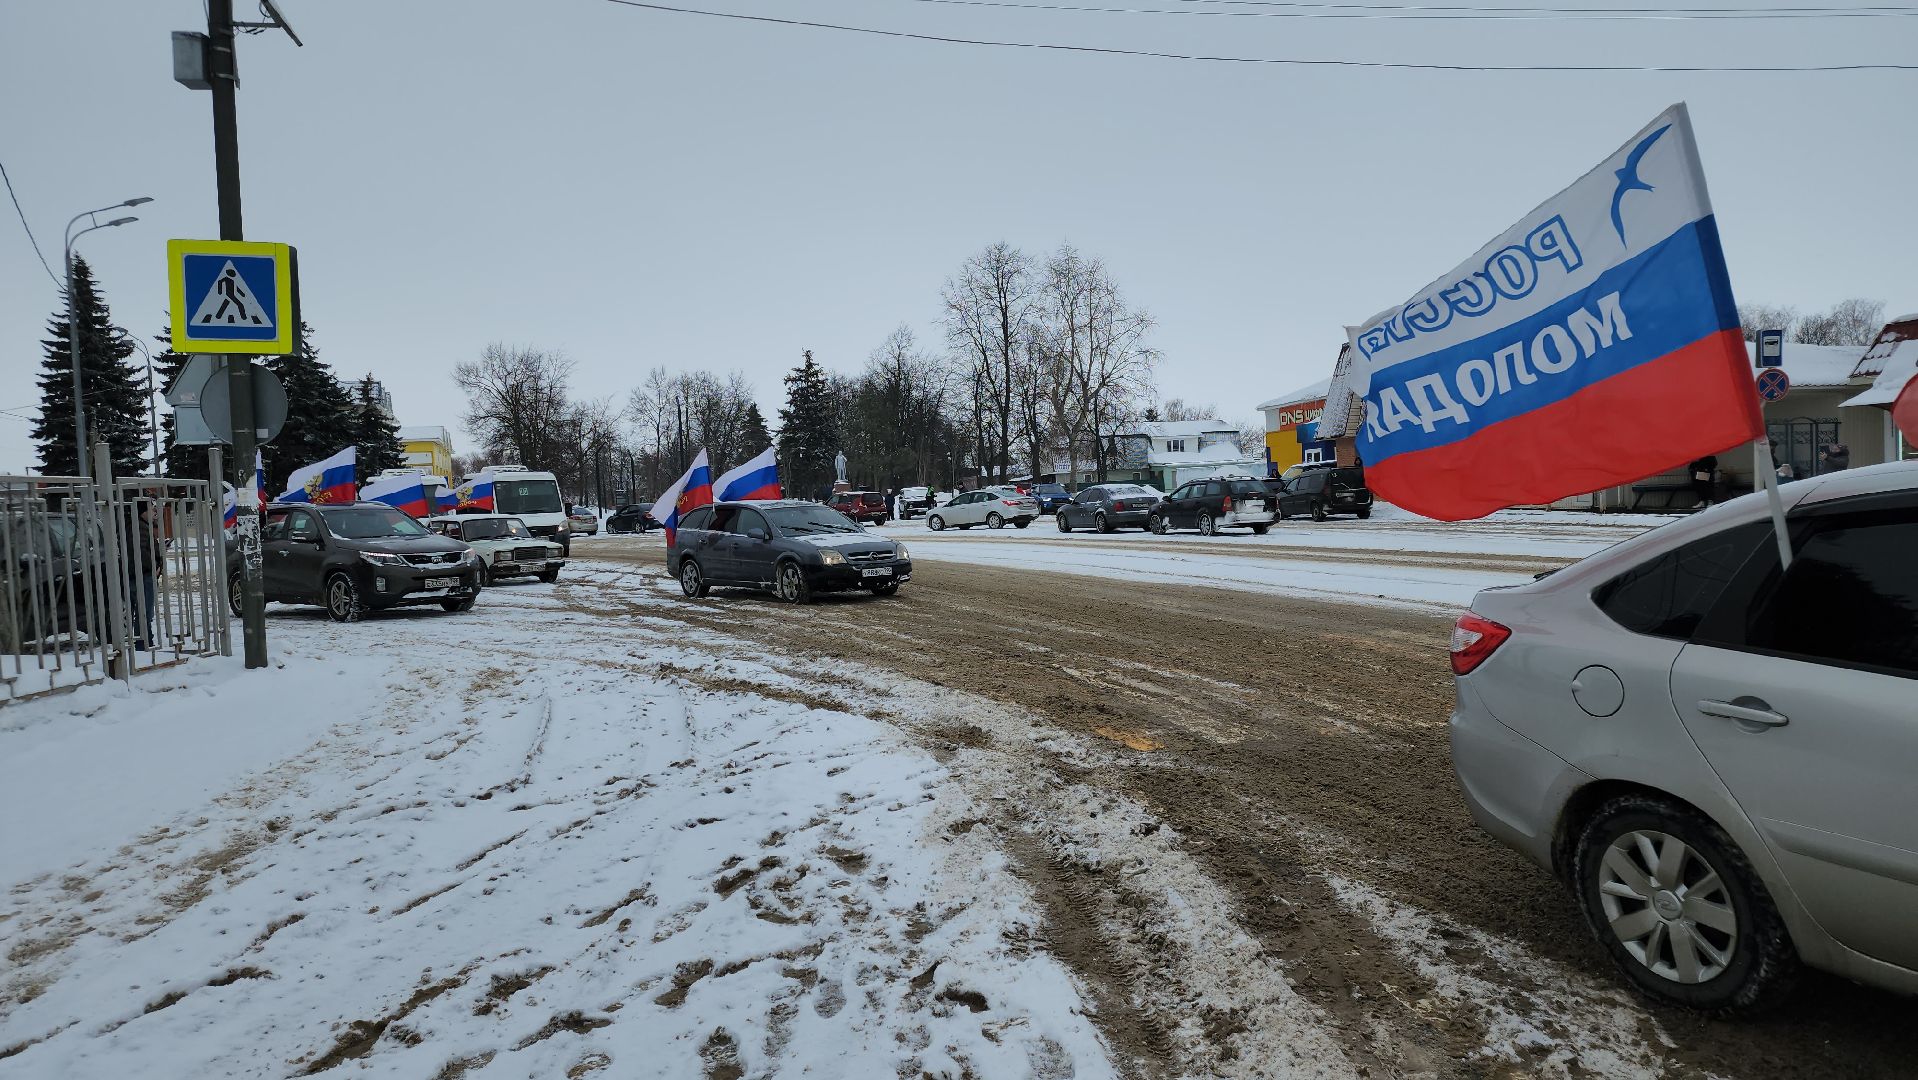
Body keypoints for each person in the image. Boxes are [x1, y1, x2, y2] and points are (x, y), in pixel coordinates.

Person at [122, 500, 163, 650]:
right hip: (143, 575)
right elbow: (140, 552)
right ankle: (144, 642)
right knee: (144, 612)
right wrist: (154, 567)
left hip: (137, 574)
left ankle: (144, 640)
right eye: (151, 510)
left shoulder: (137, 525)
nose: (154, 513)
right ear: (142, 512)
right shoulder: (139, 527)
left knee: (140, 611)